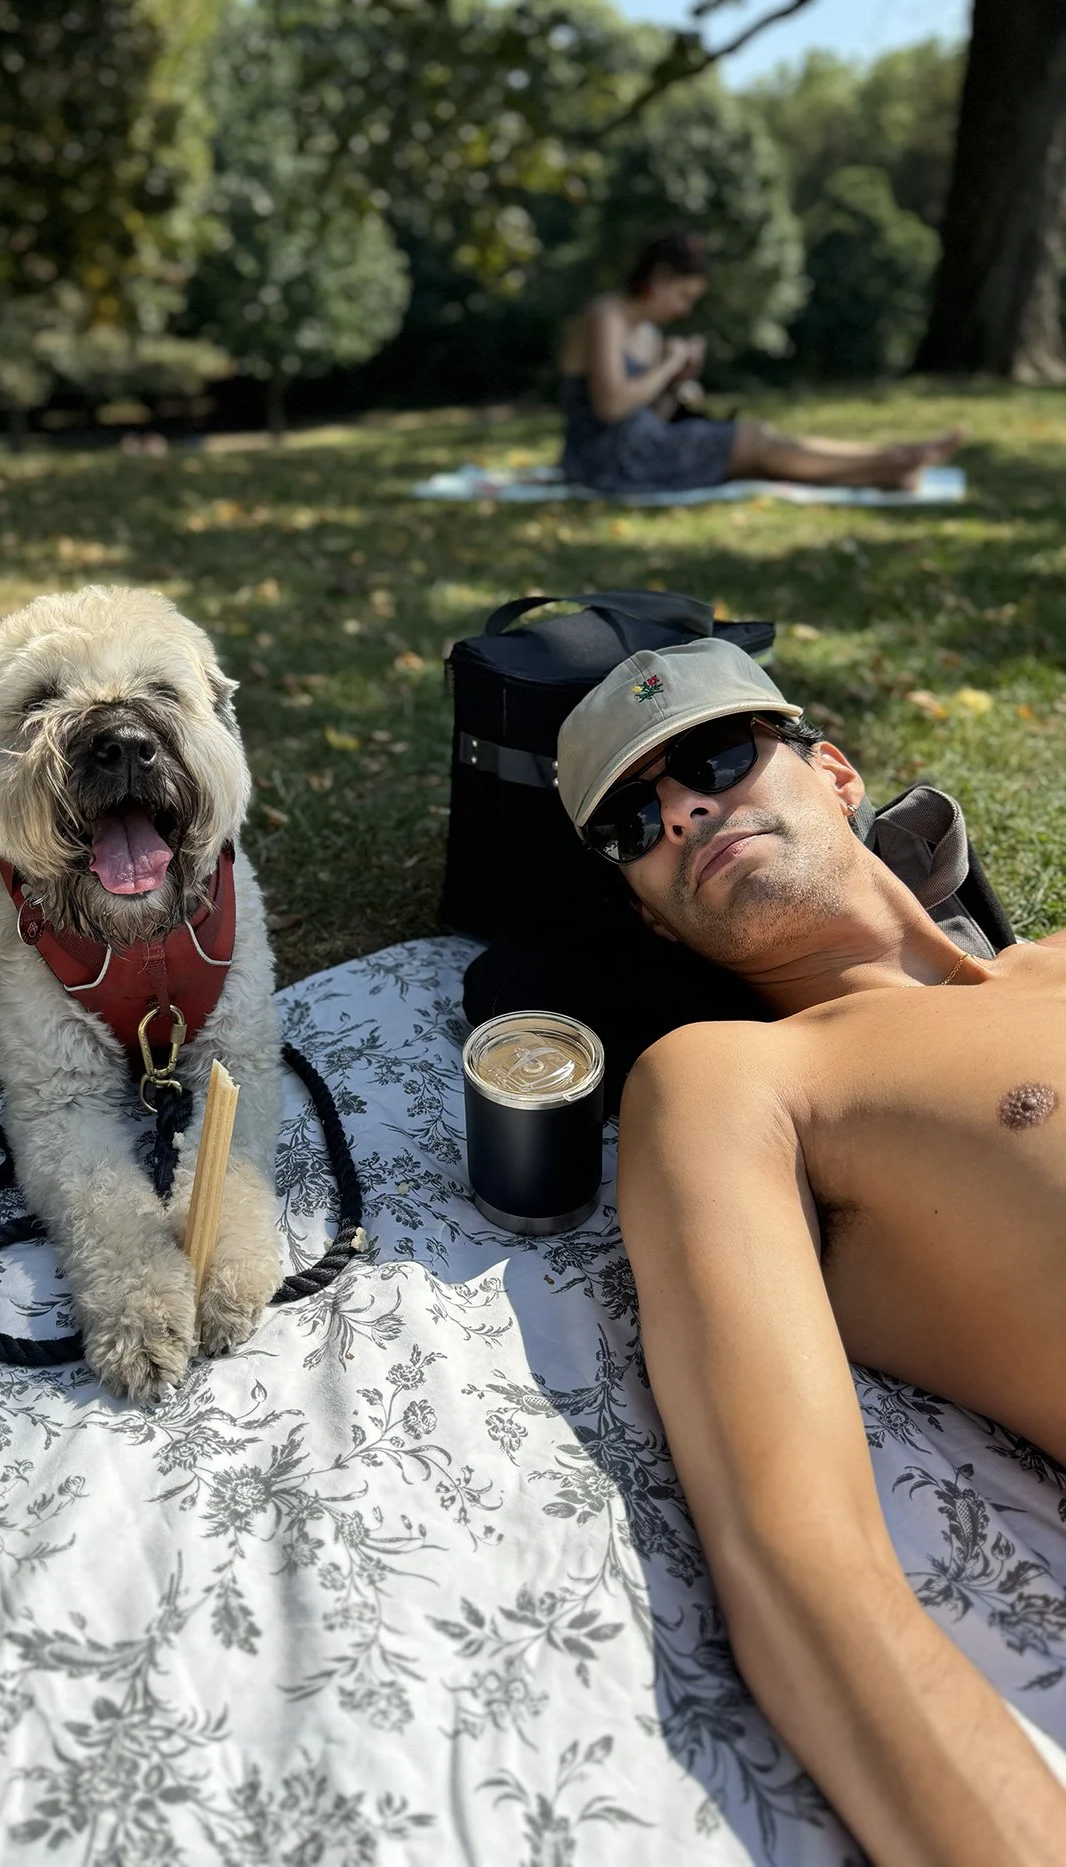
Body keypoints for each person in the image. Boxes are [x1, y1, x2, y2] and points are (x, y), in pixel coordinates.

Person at [553, 637, 1066, 1865]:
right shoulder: (737, 1081)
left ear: (832, 771)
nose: (680, 806)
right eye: (633, 822)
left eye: (716, 756)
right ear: (649, 917)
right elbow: (795, 1559)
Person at [558, 231, 964, 494]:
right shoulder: (606, 315)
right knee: (756, 440)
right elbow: (610, 406)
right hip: (605, 459)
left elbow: (651, 415)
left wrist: (676, 382)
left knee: (761, 456)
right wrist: (666, 366)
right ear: (659, 278)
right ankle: (893, 459)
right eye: (682, 295)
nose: (684, 310)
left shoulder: (649, 333)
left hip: (643, 447)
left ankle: (887, 466)